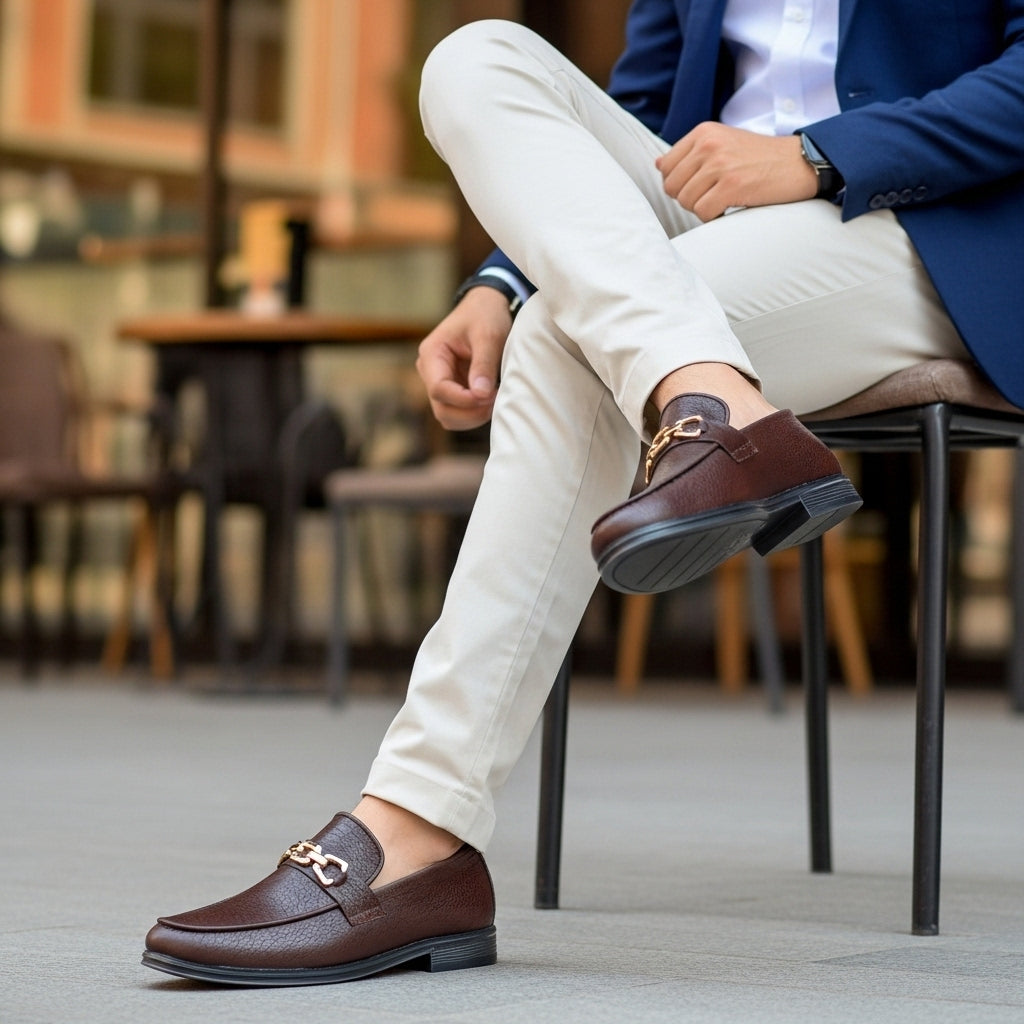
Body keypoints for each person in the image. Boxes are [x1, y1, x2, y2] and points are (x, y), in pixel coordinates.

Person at [142, 0, 1024, 986]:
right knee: (475, 60)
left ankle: (412, 830)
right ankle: (711, 396)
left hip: (925, 227)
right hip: (702, 221)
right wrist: (501, 282)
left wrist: (820, 155)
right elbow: (635, 106)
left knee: (566, 341)